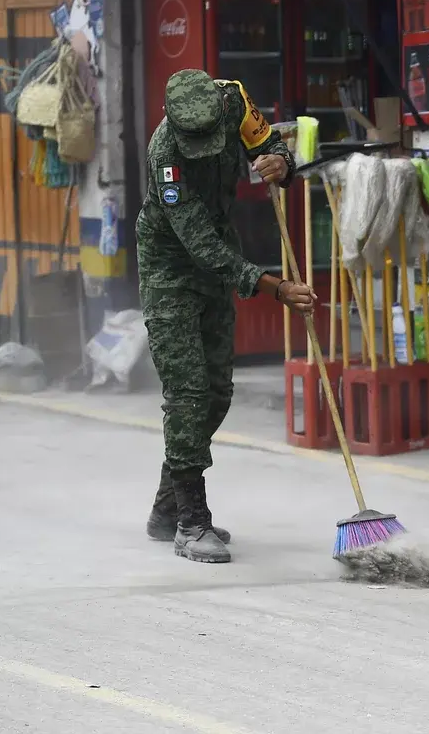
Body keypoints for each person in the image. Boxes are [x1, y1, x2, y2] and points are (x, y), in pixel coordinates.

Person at [138, 68, 316, 564]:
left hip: (220, 259)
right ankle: (192, 523)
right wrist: (275, 288)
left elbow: (273, 145)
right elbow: (200, 246)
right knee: (189, 392)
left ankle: (165, 509)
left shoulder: (234, 99)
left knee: (217, 393)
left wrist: (280, 162)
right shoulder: (165, 158)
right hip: (171, 271)